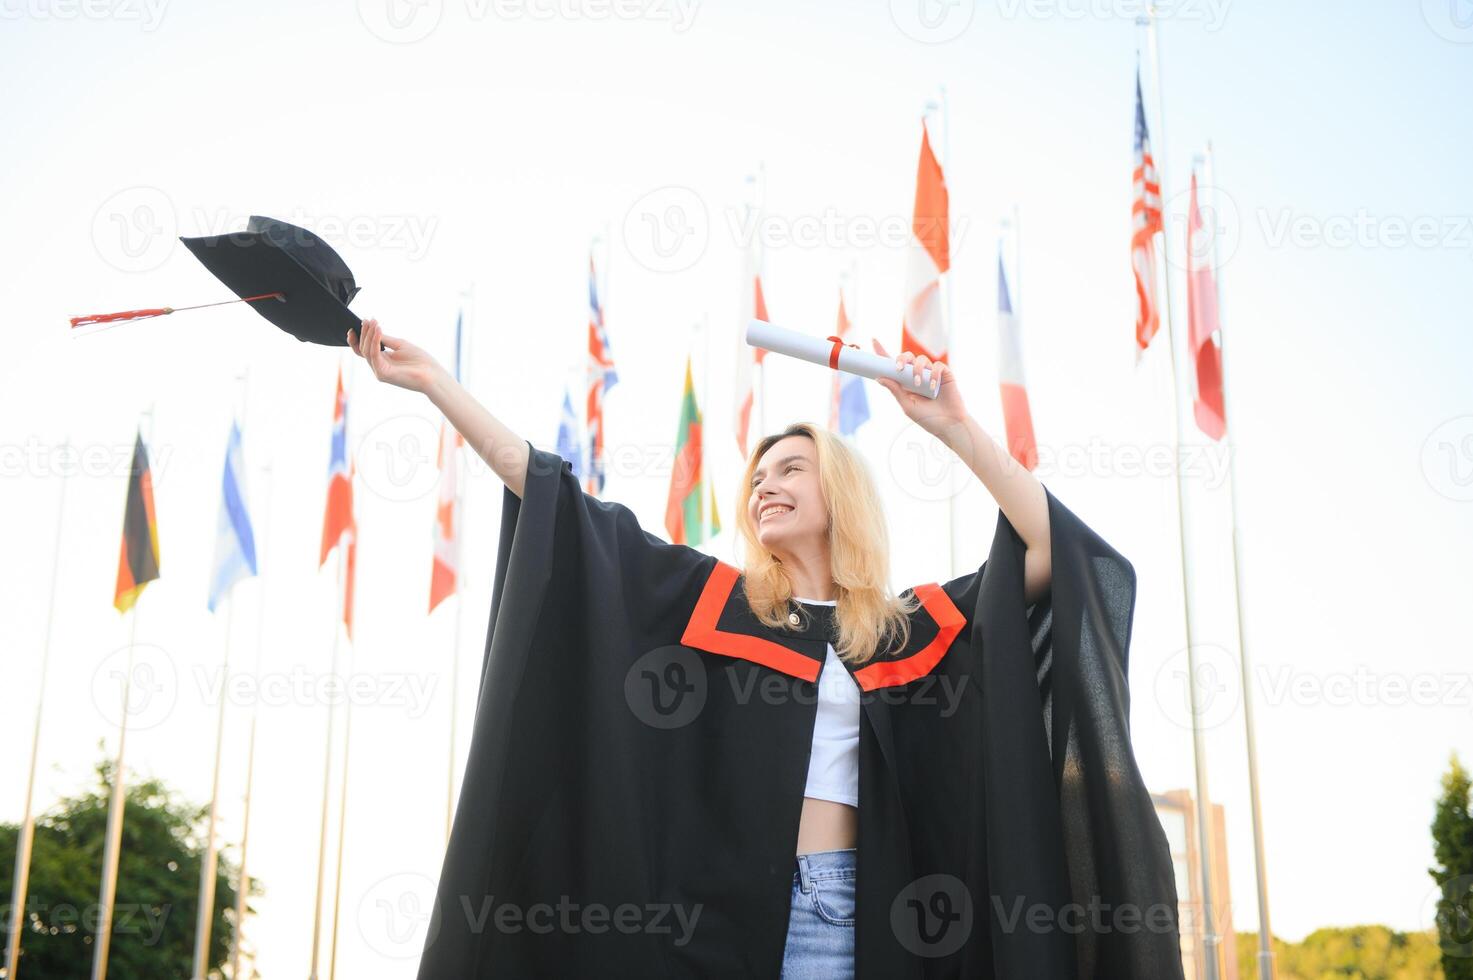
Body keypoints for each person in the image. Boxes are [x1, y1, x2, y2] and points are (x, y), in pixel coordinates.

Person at [347, 319, 1184, 979]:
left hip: (859, 915)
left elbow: (1057, 554)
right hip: (711, 920)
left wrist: (956, 429)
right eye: (755, 479)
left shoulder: (908, 629)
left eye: (790, 469)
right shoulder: (714, 602)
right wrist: (435, 387)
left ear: (840, 494)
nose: (764, 487)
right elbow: (556, 500)